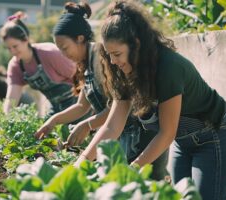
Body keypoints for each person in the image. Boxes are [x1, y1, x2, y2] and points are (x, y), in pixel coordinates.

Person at [75, 1, 226, 200]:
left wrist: (133, 169)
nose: (113, 61)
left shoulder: (168, 67)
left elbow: (166, 133)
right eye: (109, 54)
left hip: (214, 134)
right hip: (182, 141)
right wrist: (80, 164)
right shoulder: (122, 70)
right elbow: (112, 126)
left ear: (136, 44)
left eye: (117, 54)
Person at [34, 1, 168, 180]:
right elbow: (82, 106)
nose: (63, 54)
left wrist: (87, 125)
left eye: (65, 48)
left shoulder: (102, 59)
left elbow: (116, 110)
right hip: (118, 137)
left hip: (138, 136)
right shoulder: (86, 64)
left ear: (80, 38)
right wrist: (53, 120)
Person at [0, 12, 77, 116]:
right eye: (9, 48)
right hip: (55, 105)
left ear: (26, 39)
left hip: (77, 102)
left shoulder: (50, 53)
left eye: (15, 46)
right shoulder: (15, 66)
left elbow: (80, 76)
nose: (12, 51)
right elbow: (12, 99)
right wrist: (6, 119)